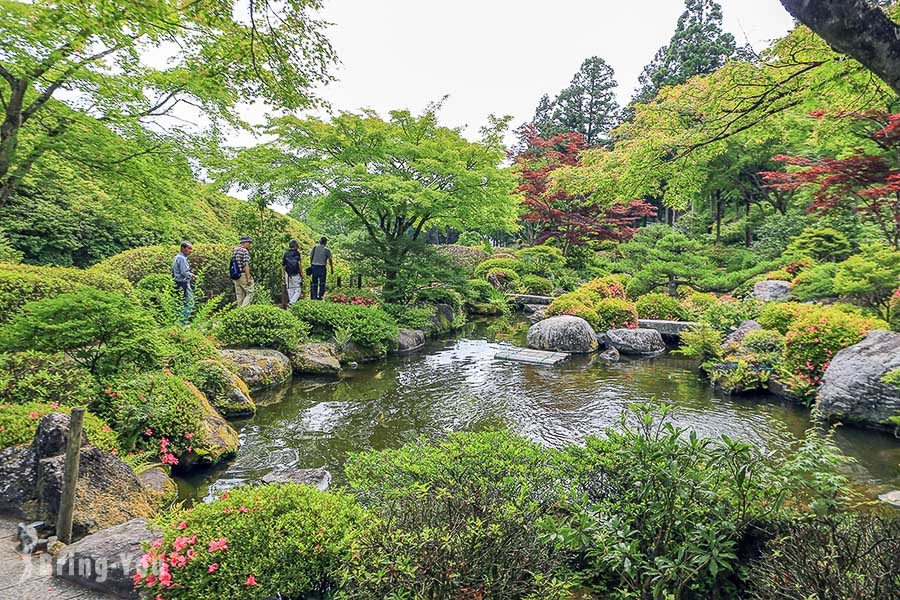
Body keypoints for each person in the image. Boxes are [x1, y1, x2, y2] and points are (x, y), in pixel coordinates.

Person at [172, 240, 197, 323]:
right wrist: (192, 276)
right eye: (189, 248)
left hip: (176, 282)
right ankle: (181, 322)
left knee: (179, 303)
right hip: (183, 283)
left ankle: (177, 323)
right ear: (183, 248)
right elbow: (184, 272)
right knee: (190, 303)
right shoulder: (182, 258)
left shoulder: (176, 257)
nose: (190, 251)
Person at [231, 236, 255, 306]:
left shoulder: (235, 250)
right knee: (250, 292)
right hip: (243, 275)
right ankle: (243, 311)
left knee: (239, 295)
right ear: (245, 243)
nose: (250, 245)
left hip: (235, 275)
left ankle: (239, 315)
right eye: (249, 243)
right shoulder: (244, 251)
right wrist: (248, 278)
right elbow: (246, 265)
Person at [282, 239, 304, 305]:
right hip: (295, 274)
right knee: (298, 290)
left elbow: (283, 265)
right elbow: (299, 264)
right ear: (296, 246)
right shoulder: (297, 253)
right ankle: (292, 303)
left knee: (290, 290)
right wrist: (302, 274)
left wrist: (282, 275)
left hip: (287, 274)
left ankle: (291, 305)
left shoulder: (286, 253)